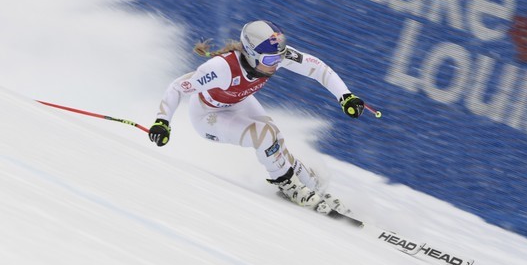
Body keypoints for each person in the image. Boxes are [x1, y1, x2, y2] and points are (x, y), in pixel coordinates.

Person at [148, 20, 365, 214]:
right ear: (251, 54)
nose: (276, 63)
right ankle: (288, 186)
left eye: (279, 57)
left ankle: (310, 186)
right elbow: (178, 87)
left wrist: (345, 96)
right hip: (208, 116)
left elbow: (318, 69)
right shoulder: (221, 68)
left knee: (275, 138)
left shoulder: (273, 57)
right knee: (264, 135)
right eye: (270, 59)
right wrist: (162, 122)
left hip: (238, 103)